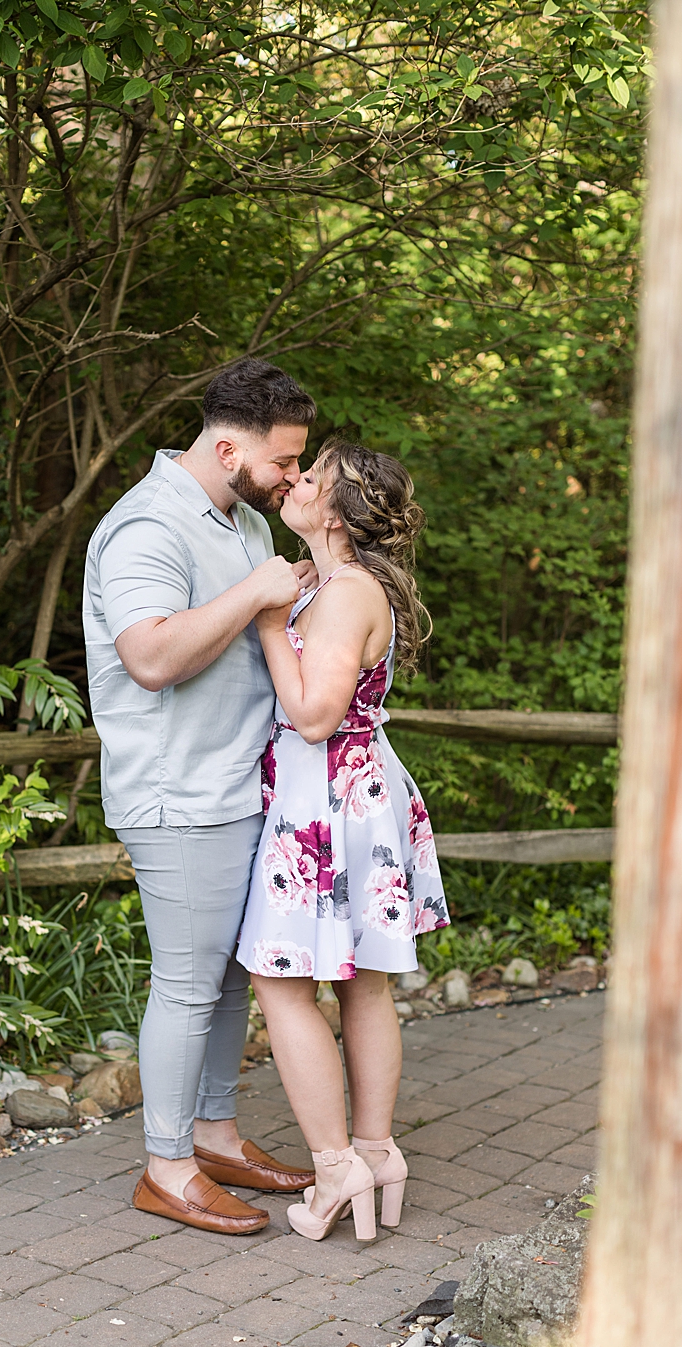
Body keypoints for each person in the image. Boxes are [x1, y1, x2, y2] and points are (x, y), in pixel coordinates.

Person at [81, 358, 323, 1236]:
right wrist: (255, 593)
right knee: (187, 985)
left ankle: (215, 1137)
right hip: (178, 794)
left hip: (239, 785)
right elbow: (148, 657)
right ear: (228, 448)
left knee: (227, 982)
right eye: (284, 463)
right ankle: (166, 1167)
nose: (293, 478)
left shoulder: (243, 522)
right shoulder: (145, 527)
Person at [236, 436, 449, 1241]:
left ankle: (336, 1170)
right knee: (363, 983)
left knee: (282, 981)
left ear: (337, 507)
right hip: (354, 795)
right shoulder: (343, 585)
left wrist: (263, 621)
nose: (293, 482)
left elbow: (315, 715)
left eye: (311, 477)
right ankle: (375, 1151)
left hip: (326, 800)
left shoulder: (343, 593)